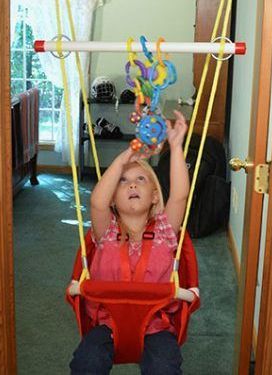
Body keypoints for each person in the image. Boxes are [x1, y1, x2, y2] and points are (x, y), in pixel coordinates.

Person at [68, 110, 199, 374]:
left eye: (141, 179)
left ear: (153, 196)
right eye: (123, 181)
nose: (132, 185)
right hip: (106, 323)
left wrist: (175, 147)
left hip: (157, 325)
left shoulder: (164, 230)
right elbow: (96, 202)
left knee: (164, 368)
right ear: (113, 199)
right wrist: (125, 157)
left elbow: (180, 196)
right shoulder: (106, 232)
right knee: (85, 363)